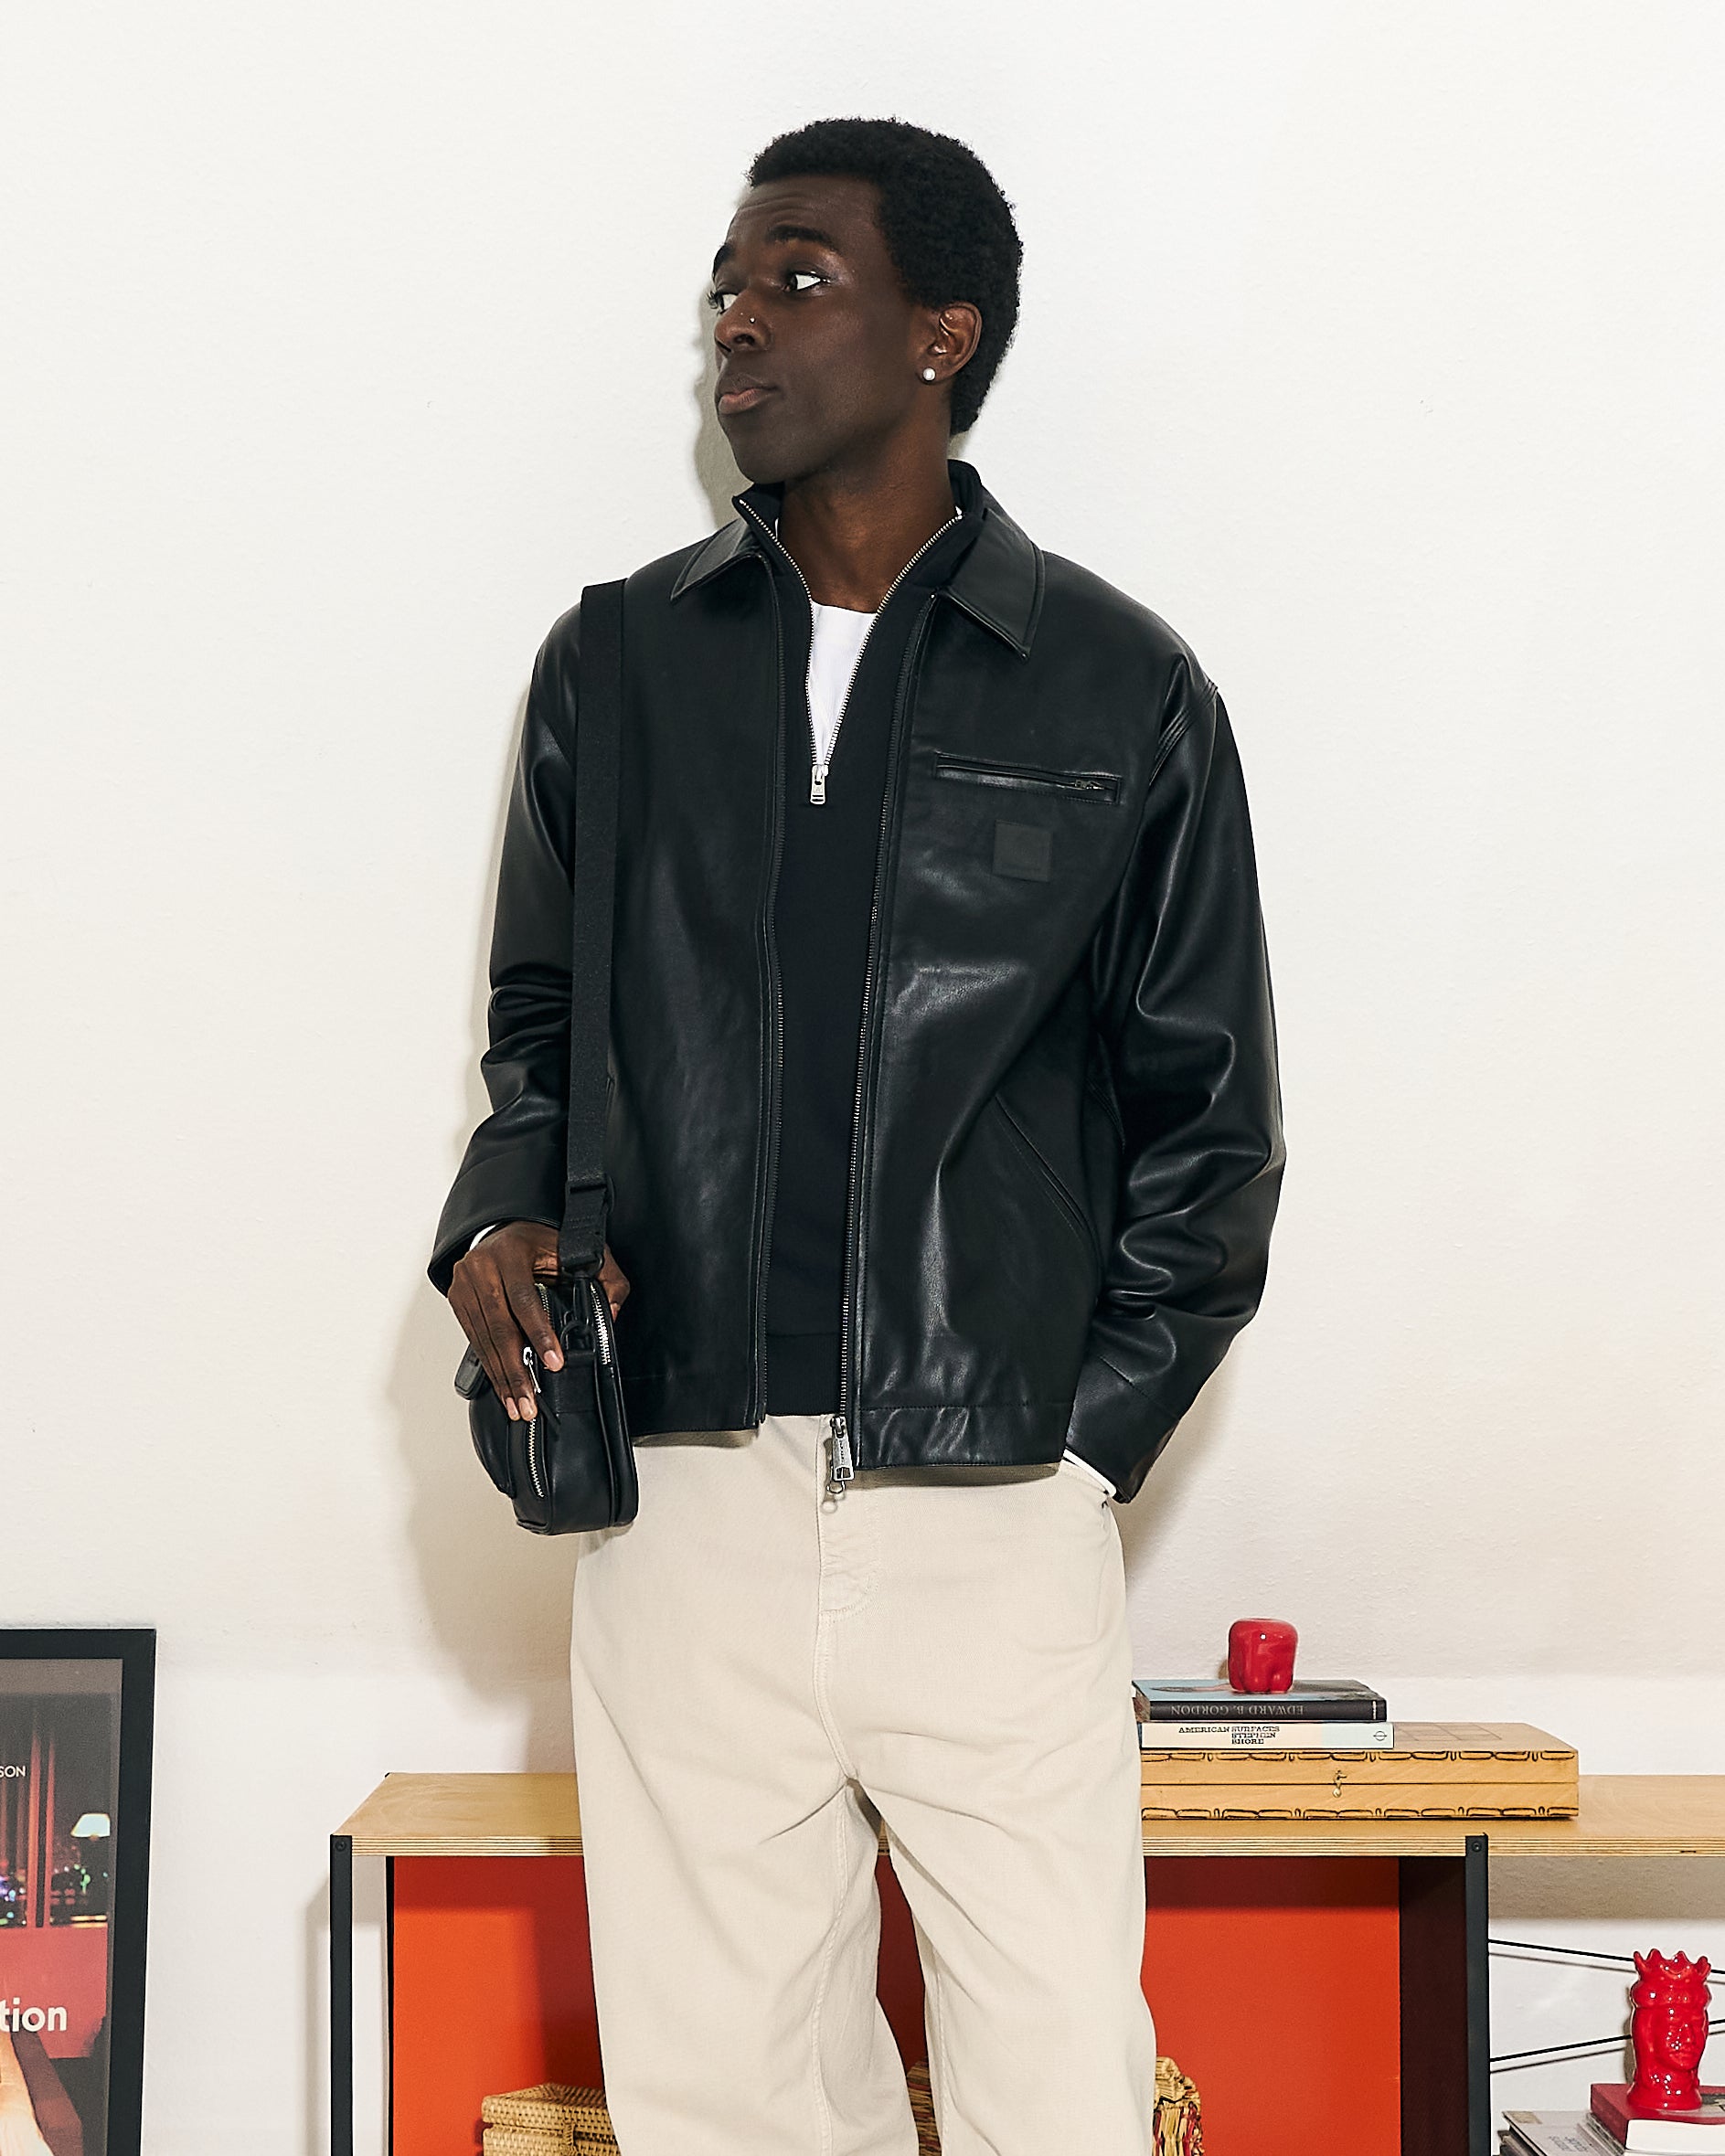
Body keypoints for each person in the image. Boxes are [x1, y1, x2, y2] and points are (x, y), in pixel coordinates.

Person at [431, 116, 1283, 2156]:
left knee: (1054, 2096)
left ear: (939, 335)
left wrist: (1077, 1456)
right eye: (726, 287)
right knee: (722, 2099)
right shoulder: (614, 665)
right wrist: (499, 1219)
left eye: (797, 278)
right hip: (679, 1490)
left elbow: (1209, 1120)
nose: (738, 320)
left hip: (990, 1492)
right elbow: (539, 1034)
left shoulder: (1118, 686)